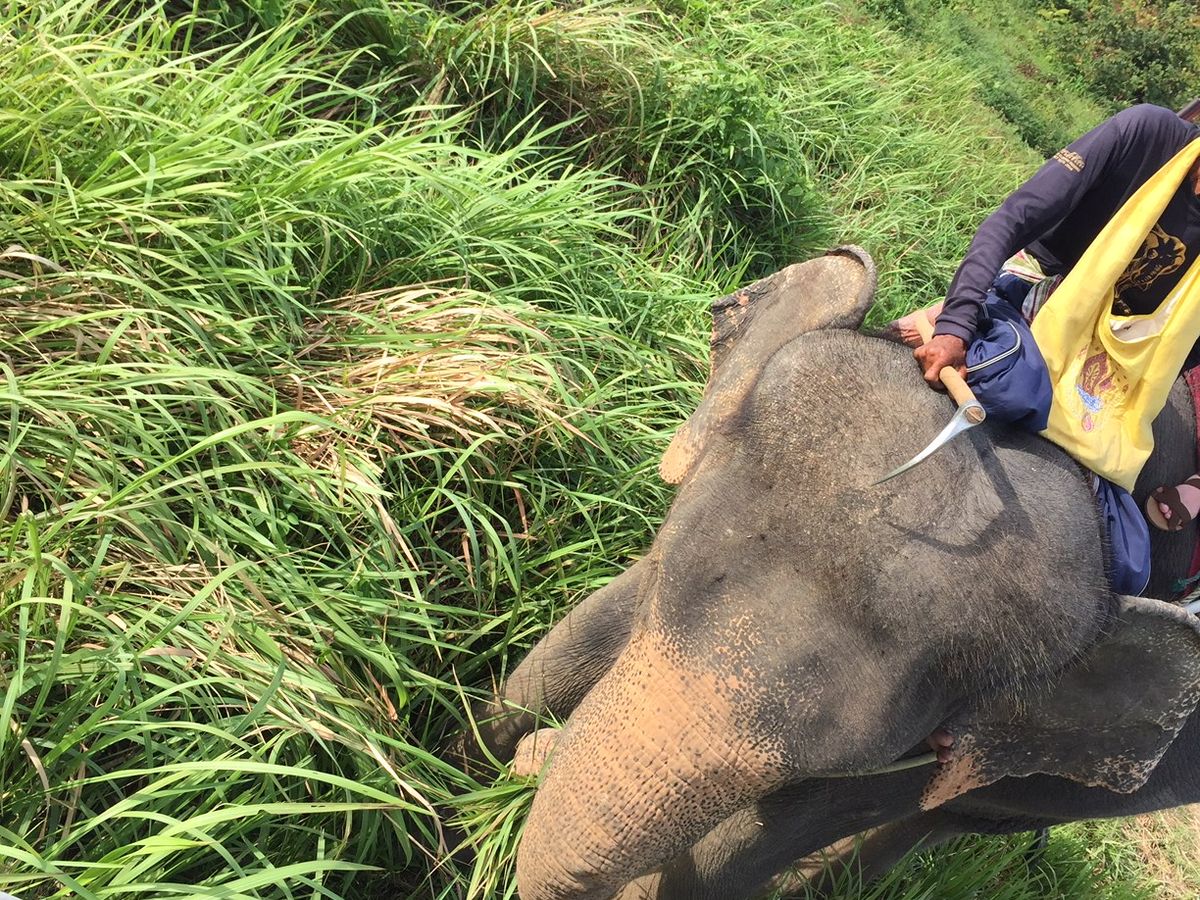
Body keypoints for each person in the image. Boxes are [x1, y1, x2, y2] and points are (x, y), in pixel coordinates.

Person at [895, 103, 1200, 533]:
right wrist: (957, 323)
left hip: (1118, 350)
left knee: (1117, 531)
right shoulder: (1146, 134)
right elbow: (1015, 216)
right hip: (1043, 283)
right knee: (1008, 389)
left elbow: (1186, 350)